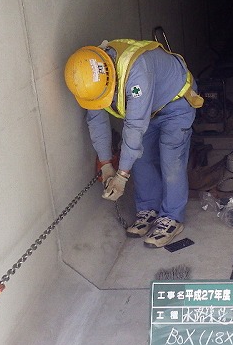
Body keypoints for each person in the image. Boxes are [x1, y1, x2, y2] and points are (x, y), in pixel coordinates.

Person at [64, 39, 202, 248]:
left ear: (111, 77)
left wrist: (121, 176)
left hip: (175, 103)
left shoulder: (137, 73)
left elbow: (135, 127)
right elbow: (96, 121)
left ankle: (172, 217)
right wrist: (107, 165)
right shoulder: (90, 80)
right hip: (149, 108)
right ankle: (149, 208)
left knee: (171, 158)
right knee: (141, 158)